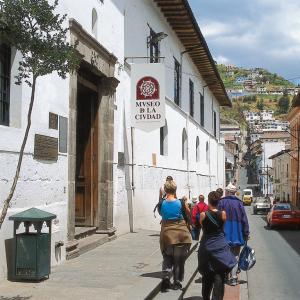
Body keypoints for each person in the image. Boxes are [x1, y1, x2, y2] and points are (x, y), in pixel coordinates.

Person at [198, 191, 237, 300]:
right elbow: (222, 228)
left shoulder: (203, 215)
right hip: (220, 246)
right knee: (219, 274)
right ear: (218, 202)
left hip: (207, 247)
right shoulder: (223, 214)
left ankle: (206, 297)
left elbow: (203, 229)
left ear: (208, 201)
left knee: (207, 275)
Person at [160, 180, 192, 291]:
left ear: (165, 189)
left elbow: (161, 214)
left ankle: (166, 278)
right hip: (181, 235)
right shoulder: (181, 203)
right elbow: (189, 213)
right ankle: (177, 282)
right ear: (175, 189)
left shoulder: (161, 203)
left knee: (167, 257)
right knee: (179, 260)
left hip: (167, 235)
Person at [218, 183, 250, 286]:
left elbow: (218, 218)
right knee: (235, 255)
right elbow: (244, 219)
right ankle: (234, 278)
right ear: (235, 192)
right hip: (237, 233)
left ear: (227, 192)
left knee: (225, 255)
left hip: (224, 232)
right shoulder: (239, 203)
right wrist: (246, 233)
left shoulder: (221, 202)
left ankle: (225, 276)